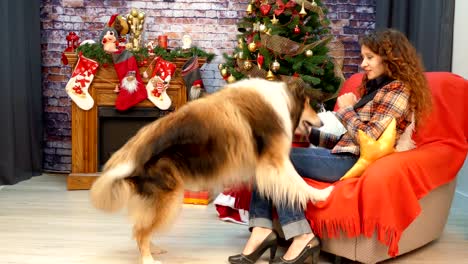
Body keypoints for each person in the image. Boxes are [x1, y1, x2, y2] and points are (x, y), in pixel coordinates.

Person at [228, 28, 432, 264]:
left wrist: (346, 111)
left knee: (273, 156)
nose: (363, 64)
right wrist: (308, 134)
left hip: (352, 162)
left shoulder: (398, 90)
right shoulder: (375, 88)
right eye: (363, 57)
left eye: (369, 57)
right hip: (342, 155)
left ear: (390, 57)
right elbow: (347, 140)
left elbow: (371, 140)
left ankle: (298, 235)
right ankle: (262, 230)